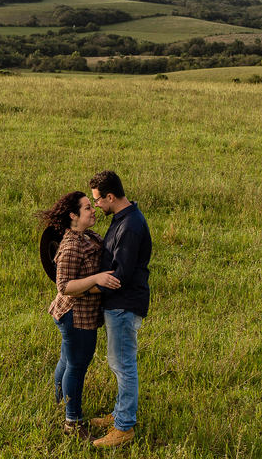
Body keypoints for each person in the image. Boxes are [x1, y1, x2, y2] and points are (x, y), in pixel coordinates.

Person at [38, 191, 121, 438]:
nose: (93, 210)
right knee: (76, 365)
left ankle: (59, 400)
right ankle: (72, 422)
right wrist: (97, 279)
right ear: (73, 216)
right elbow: (63, 286)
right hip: (76, 315)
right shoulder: (72, 245)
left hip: (78, 313)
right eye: (87, 208)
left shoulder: (86, 236)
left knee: (67, 359)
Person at [87, 170, 151, 449]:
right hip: (118, 304)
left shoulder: (130, 226)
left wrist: (82, 287)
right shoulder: (122, 218)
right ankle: (119, 414)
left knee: (123, 365)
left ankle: (124, 427)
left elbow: (119, 276)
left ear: (111, 197)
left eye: (98, 200)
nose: (96, 205)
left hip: (124, 305)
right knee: (118, 363)